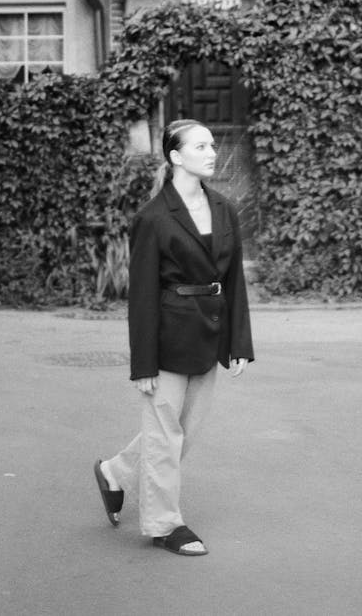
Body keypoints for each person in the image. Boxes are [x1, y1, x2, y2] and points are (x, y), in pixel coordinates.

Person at [94, 118, 254, 556]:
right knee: (165, 435)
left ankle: (114, 472)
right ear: (175, 156)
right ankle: (165, 525)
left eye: (212, 145)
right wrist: (143, 363)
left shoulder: (223, 209)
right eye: (200, 146)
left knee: (184, 433)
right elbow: (142, 294)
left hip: (211, 331)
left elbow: (233, 279)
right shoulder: (153, 217)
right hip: (167, 335)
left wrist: (240, 343)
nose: (212, 152)